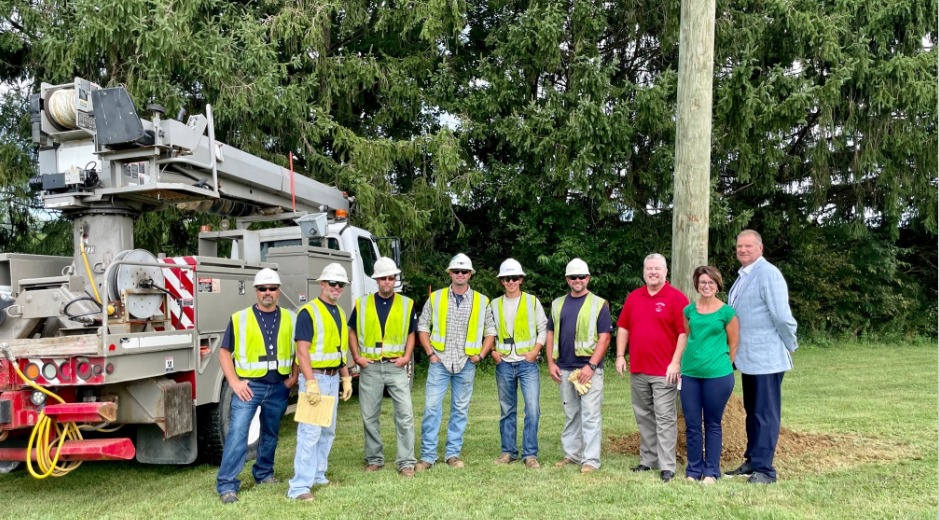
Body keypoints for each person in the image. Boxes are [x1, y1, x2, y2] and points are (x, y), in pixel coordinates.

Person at [216, 268, 297, 504]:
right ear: (256, 291)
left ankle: (264, 474)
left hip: (279, 387)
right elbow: (224, 353)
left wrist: (293, 377)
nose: (267, 292)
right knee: (238, 434)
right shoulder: (240, 318)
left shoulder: (291, 318)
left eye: (272, 288)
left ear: (278, 290)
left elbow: (299, 350)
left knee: (270, 434)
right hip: (249, 388)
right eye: (263, 288)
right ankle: (227, 485)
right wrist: (234, 382)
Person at [723, 230, 798, 484]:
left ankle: (765, 471)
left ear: (760, 248)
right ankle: (753, 461)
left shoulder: (768, 274)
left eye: (748, 246)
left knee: (765, 414)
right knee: (753, 412)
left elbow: (781, 315)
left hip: (766, 358)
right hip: (749, 360)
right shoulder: (743, 276)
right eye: (739, 246)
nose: (742, 250)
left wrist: (791, 342)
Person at [415, 253, 497, 470]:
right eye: (456, 271)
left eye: (464, 271)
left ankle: (452, 454)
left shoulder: (482, 300)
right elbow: (422, 326)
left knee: (460, 410)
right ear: (450, 273)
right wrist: (431, 354)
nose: (460, 274)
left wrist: (481, 355)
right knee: (432, 408)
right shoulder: (436, 298)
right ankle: (427, 456)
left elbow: (491, 331)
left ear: (470, 274)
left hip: (466, 364)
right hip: (439, 362)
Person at [615, 253, 689, 483]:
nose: (653, 272)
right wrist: (620, 355)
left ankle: (667, 466)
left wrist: (675, 362)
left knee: (665, 417)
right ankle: (648, 459)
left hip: (664, 370)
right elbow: (623, 327)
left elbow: (684, 333)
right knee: (644, 416)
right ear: (644, 271)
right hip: (638, 368)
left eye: (657, 269)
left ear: (666, 272)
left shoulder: (677, 298)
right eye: (649, 269)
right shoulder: (634, 297)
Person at [287, 263, 354, 501]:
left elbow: (339, 350)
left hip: (333, 378)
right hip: (316, 379)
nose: (337, 288)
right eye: (332, 283)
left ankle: (318, 475)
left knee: (327, 431)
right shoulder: (309, 312)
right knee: (310, 433)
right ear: (322, 284)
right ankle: (299, 487)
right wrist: (311, 382)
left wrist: (346, 376)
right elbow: (302, 352)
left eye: (341, 284)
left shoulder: (340, 312)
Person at [348, 257, 418, 478]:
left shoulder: (407, 304)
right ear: (376, 280)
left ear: (395, 279)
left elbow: (411, 333)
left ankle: (406, 462)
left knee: (405, 415)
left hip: (396, 367)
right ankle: (374, 459)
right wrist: (356, 357)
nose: (387, 281)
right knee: (369, 416)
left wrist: (407, 356)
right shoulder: (362, 303)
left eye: (391, 277)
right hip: (370, 368)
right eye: (383, 278)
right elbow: (351, 331)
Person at [545, 258, 612, 474]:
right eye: (573, 277)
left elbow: (605, 338)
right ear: (567, 279)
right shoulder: (557, 304)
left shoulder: (599, 304)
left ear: (588, 278)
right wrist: (550, 362)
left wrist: (591, 366)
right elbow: (550, 333)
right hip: (564, 367)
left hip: (588, 369)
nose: (577, 280)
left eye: (581, 276)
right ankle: (572, 455)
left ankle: (590, 460)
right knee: (571, 412)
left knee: (590, 414)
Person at [679, 266, 739, 484]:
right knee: (693, 424)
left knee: (712, 423)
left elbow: (733, 344)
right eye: (702, 282)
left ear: (717, 285)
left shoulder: (726, 312)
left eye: (711, 282)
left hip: (718, 376)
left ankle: (712, 471)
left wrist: (722, 365)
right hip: (691, 374)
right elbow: (688, 335)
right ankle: (694, 470)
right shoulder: (689, 311)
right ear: (697, 284)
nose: (706, 286)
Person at [488, 258, 547, 469]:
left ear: (521, 279)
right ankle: (508, 452)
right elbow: (487, 331)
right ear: (501, 281)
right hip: (503, 362)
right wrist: (493, 352)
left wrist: (535, 352)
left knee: (532, 409)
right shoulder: (493, 304)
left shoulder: (532, 302)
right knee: (507, 410)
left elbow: (543, 329)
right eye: (507, 278)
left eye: (515, 278)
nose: (511, 281)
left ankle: (530, 454)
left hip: (527, 363)